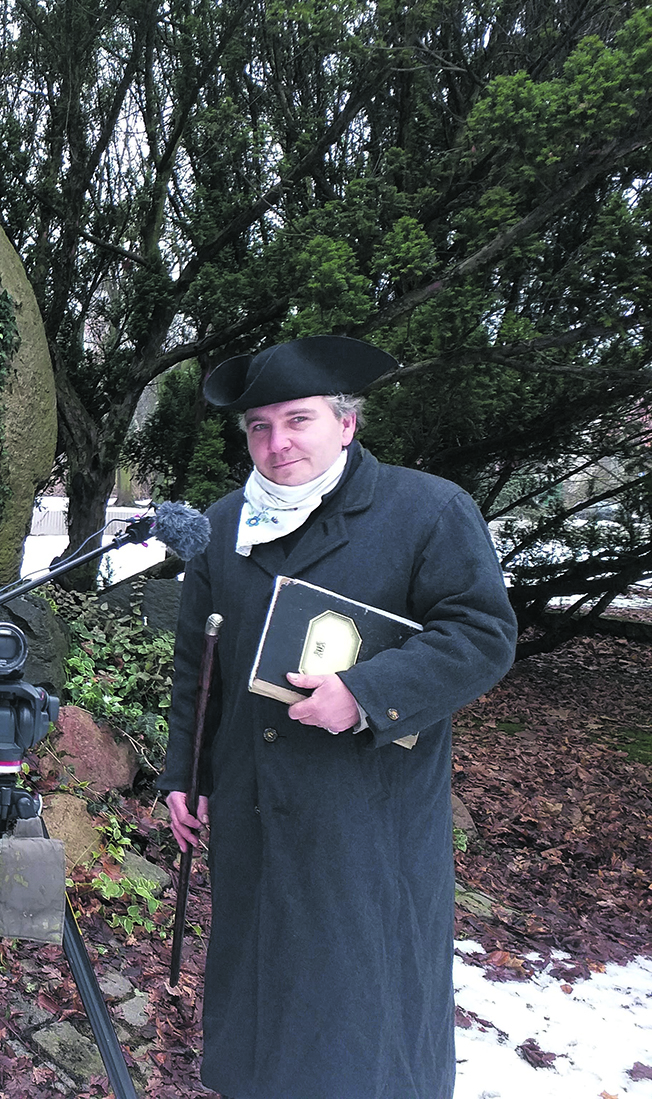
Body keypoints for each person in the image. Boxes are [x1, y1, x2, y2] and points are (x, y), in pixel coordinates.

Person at [161, 335, 517, 1099]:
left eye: (299, 420)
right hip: (255, 810)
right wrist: (182, 776)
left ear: (346, 423)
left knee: (359, 1014)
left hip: (365, 820)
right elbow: (199, 666)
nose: (277, 442)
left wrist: (365, 692)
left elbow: (484, 635)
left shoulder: (427, 510)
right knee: (260, 999)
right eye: (259, 426)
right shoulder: (226, 524)